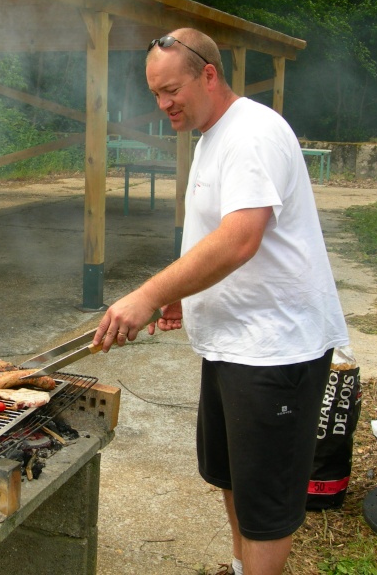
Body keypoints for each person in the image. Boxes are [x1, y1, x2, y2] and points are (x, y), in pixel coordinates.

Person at [93, 28, 349, 575]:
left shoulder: (251, 133)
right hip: (235, 343)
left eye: (171, 90)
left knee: (266, 504)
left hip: (275, 349)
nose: (163, 105)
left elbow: (240, 238)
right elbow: (219, 236)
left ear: (208, 73)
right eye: (155, 94)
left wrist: (150, 292)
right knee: (232, 477)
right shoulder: (214, 134)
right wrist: (186, 293)